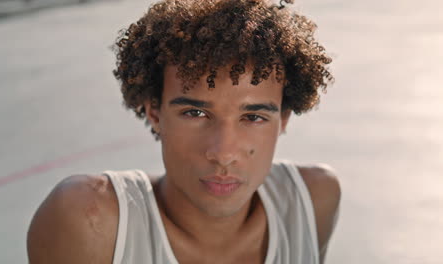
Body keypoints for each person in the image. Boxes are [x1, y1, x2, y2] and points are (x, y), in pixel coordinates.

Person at [27, 0, 341, 263]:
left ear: (283, 119)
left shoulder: (312, 201)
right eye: (195, 112)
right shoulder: (90, 219)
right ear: (155, 112)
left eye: (254, 116)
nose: (223, 153)